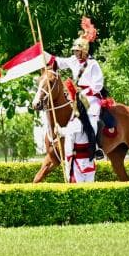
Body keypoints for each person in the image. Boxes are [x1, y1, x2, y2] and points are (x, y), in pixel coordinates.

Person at [51, 17, 107, 159]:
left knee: (91, 119)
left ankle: (95, 148)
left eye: (77, 51)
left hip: (91, 98)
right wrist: (43, 55)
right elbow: (58, 61)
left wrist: (85, 92)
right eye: (74, 51)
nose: (75, 53)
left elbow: (98, 84)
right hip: (76, 97)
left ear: (84, 51)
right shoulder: (73, 61)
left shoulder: (93, 64)